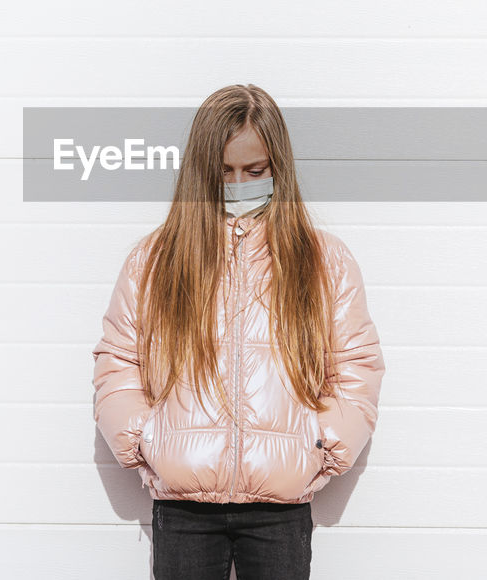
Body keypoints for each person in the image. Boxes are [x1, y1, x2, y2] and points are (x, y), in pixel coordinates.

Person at [91, 84, 386, 580]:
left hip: (280, 508)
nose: (239, 184)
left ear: (278, 168)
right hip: (183, 507)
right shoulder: (157, 260)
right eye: (224, 172)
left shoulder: (322, 261)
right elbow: (118, 360)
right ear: (202, 172)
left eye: (255, 171)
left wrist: (324, 443)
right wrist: (145, 439)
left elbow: (356, 364)